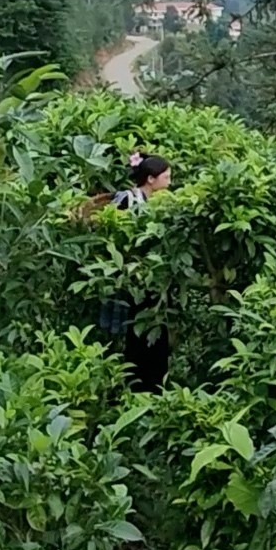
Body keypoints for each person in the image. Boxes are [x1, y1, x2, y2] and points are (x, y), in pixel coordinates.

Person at [96, 152, 173, 391]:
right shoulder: (127, 200)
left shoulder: (164, 203)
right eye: (166, 177)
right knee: (136, 337)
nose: (170, 182)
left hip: (155, 279)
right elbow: (110, 234)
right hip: (132, 279)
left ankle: (155, 387)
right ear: (151, 179)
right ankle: (135, 387)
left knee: (158, 335)